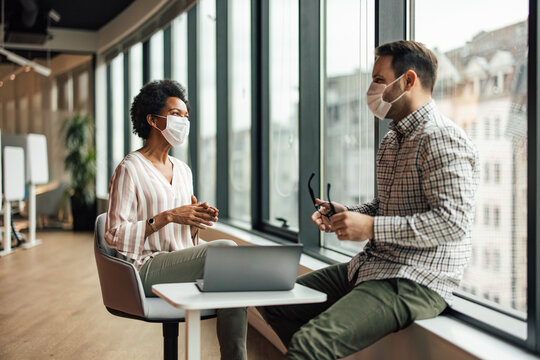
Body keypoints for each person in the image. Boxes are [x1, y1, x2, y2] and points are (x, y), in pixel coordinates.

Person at [258, 40, 479, 359]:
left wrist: (371, 227)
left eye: (378, 80)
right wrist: (350, 214)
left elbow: (452, 224)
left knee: (310, 345)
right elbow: (388, 205)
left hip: (415, 279)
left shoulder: (443, 138)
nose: (371, 90)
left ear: (409, 81)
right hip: (373, 265)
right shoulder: (392, 140)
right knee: (277, 303)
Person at [105, 79, 247, 360]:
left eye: (186, 116)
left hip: (176, 262)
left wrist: (193, 224)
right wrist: (168, 216)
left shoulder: (183, 171)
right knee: (228, 252)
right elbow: (113, 234)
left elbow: (183, 239)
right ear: (152, 120)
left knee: (236, 273)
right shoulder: (129, 169)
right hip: (143, 268)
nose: (184, 121)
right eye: (175, 115)